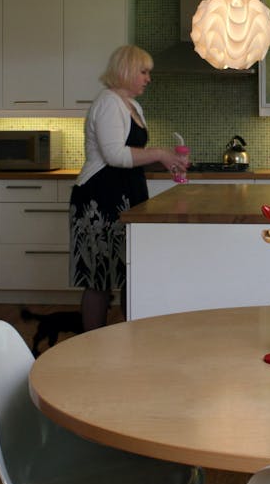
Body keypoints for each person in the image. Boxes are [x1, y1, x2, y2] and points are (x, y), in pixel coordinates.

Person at [68, 45, 189, 330]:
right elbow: (114, 156)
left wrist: (167, 162)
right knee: (99, 278)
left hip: (126, 197)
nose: (148, 78)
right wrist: (160, 153)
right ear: (125, 70)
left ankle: (126, 341)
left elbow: (132, 157)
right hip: (100, 199)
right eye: (143, 72)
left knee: (127, 273)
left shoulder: (133, 106)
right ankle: (91, 347)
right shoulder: (108, 102)